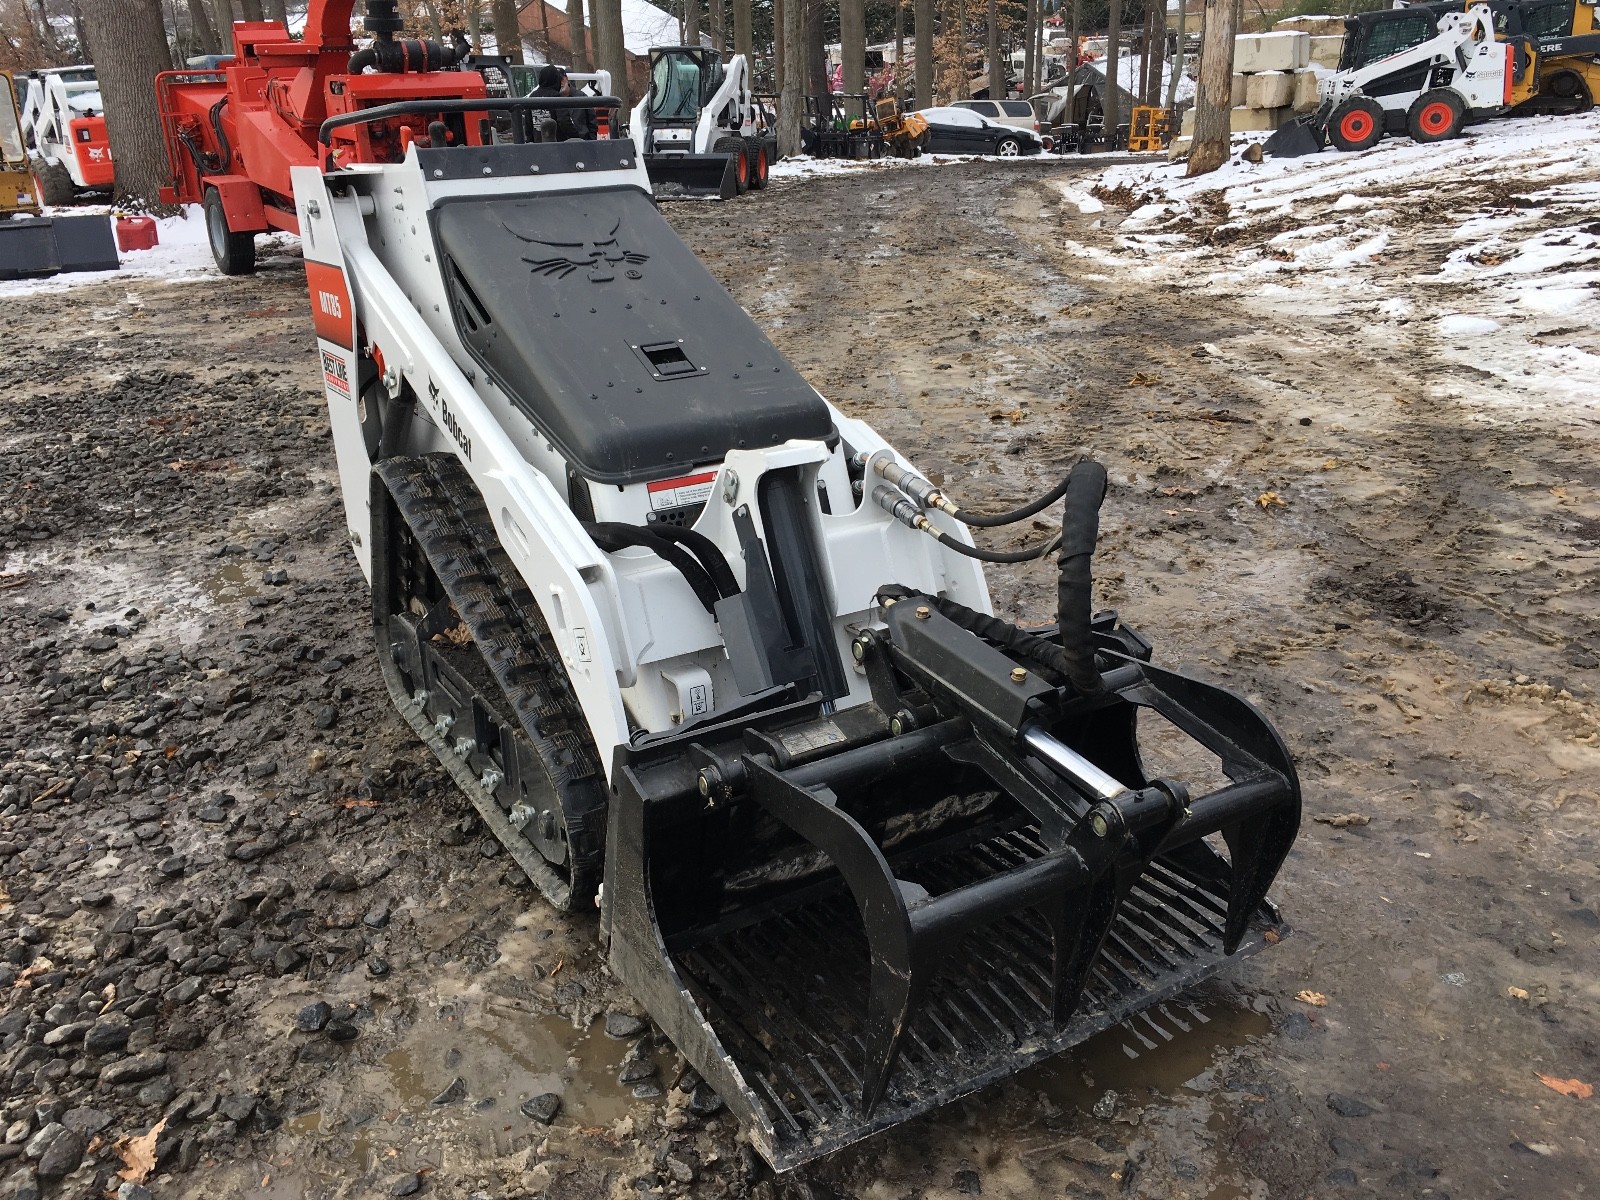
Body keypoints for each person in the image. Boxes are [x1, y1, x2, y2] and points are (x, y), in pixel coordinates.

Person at [530, 64, 596, 141]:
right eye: (558, 79)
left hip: (540, 144)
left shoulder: (532, 97)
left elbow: (528, 125)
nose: (560, 83)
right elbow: (564, 120)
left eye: (562, 79)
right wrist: (576, 138)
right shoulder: (556, 97)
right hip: (559, 144)